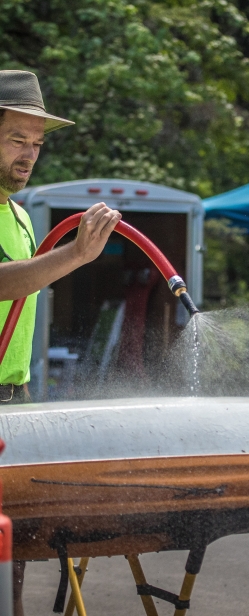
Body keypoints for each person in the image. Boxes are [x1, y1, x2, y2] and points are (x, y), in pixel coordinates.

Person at [0, 70, 122, 616]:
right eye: (15, 139)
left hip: (13, 396)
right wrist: (72, 256)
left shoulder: (19, 214)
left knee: (14, 547)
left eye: (37, 144)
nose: (29, 154)